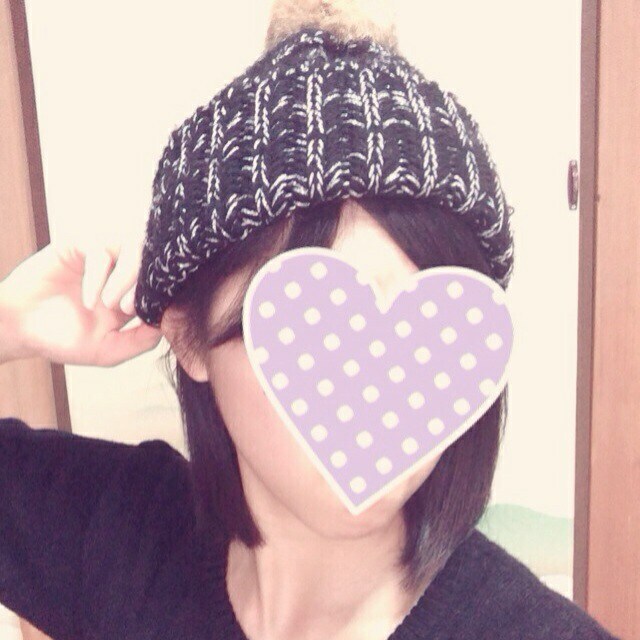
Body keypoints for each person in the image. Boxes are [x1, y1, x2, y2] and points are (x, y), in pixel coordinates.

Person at [0, 1, 622, 639]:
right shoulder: (123, 539)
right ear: (188, 334)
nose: (383, 393)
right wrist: (8, 323)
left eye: (433, 336)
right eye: (318, 330)